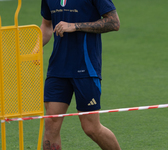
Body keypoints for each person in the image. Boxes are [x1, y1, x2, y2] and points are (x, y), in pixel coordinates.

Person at [40, 0, 121, 149]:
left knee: (91, 128)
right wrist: (33, 47)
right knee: (51, 124)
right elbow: (46, 26)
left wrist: (75, 26)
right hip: (57, 69)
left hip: (86, 68)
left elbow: (114, 23)